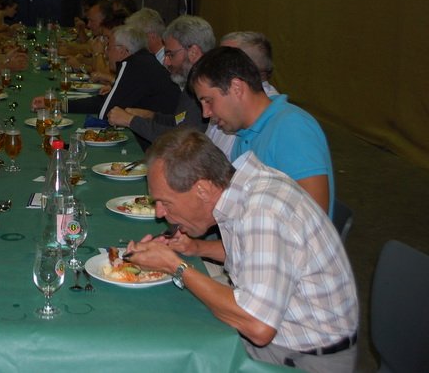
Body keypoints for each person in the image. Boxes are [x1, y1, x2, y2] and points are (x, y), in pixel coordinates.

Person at [124, 128, 358, 372]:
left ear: (202, 189)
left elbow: (258, 326)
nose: (159, 213)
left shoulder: (263, 213)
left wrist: (175, 266)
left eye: (165, 202)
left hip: (302, 359)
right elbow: (255, 256)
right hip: (282, 340)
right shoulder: (242, 189)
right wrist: (195, 247)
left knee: (162, 350)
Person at [189, 46, 334, 215]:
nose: (205, 113)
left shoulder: (291, 128)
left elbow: (313, 217)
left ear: (236, 88)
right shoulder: (243, 135)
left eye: (208, 101)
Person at [107, 15, 214, 146]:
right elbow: (179, 121)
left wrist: (131, 121)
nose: (166, 62)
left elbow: (183, 140)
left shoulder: (208, 87)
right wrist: (151, 116)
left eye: (171, 54)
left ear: (193, 52)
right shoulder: (192, 82)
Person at [45, 25, 180, 120]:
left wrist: (58, 105)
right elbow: (106, 103)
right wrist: (60, 104)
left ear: (122, 50)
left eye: (108, 48)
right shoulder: (144, 61)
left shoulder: (132, 64)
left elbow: (105, 112)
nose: (106, 52)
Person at [206, 31, 280, 157]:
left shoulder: (267, 114)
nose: (213, 68)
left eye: (222, 61)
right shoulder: (224, 98)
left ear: (248, 68)